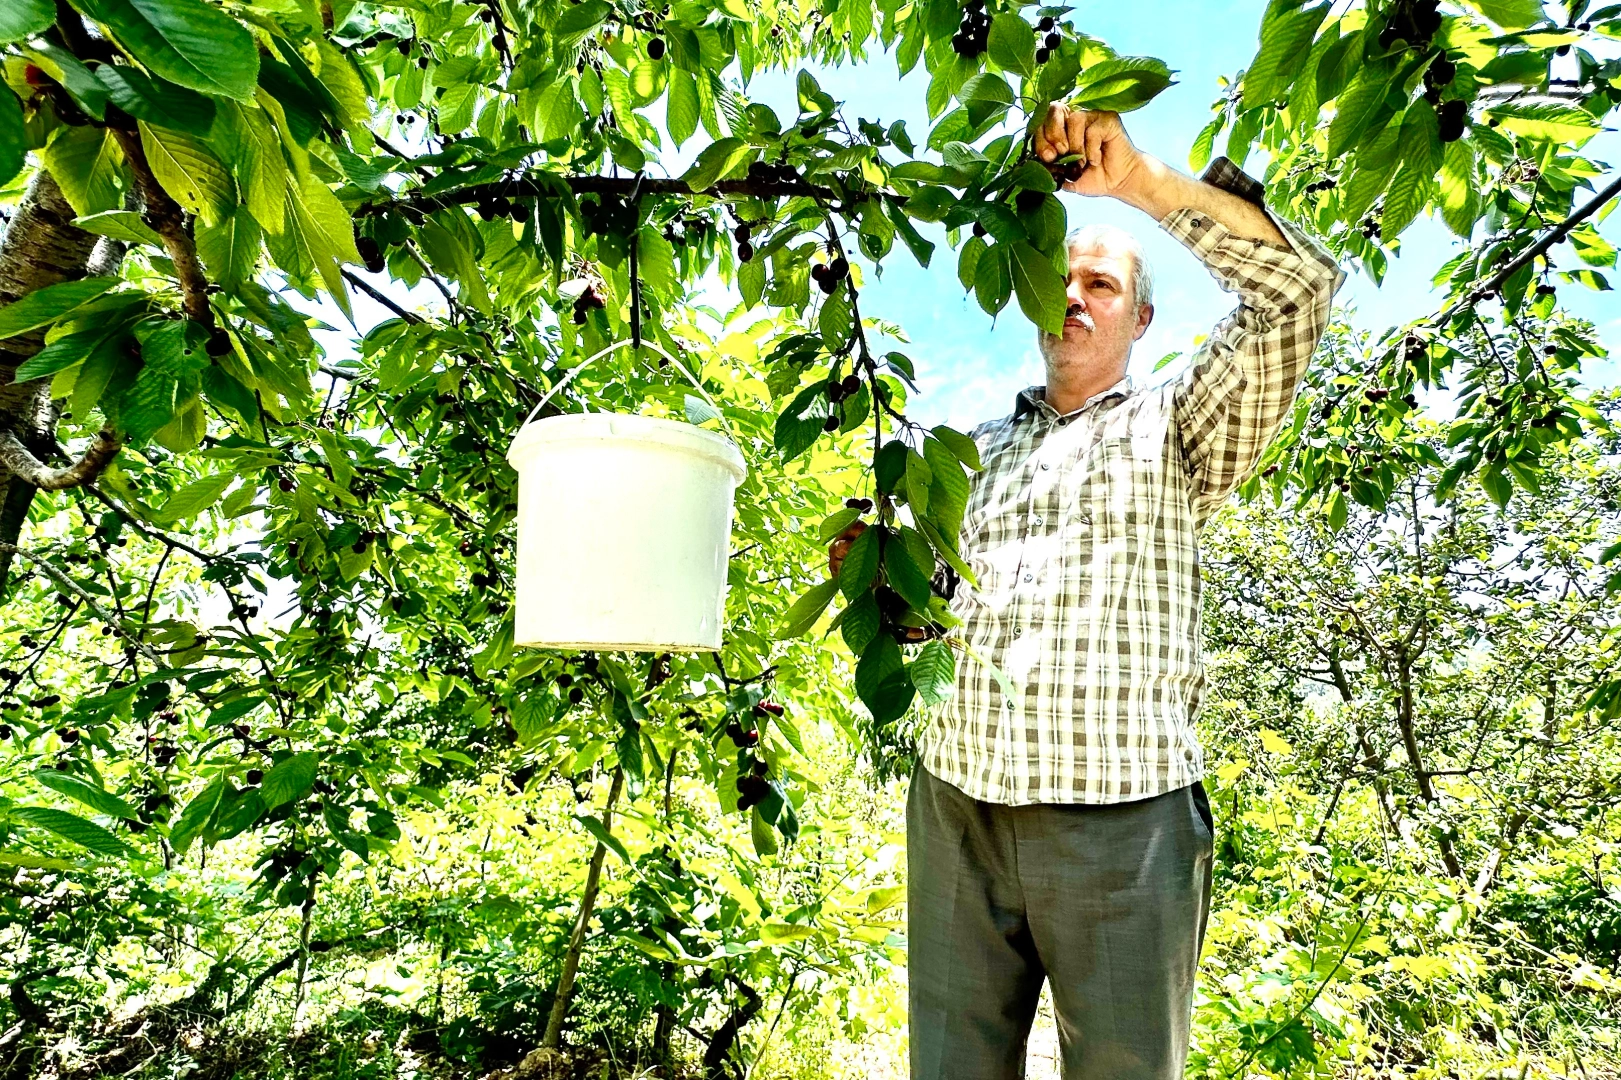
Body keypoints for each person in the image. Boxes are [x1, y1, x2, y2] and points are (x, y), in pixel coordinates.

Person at [829, 104, 1346, 1079]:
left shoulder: (1180, 428)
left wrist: (1141, 183)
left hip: (1124, 827)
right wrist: (882, 583)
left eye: (1100, 282)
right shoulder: (966, 453)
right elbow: (931, 621)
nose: (1072, 296)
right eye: (1059, 279)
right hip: (956, 814)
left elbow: (1297, 295)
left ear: (1140, 318)